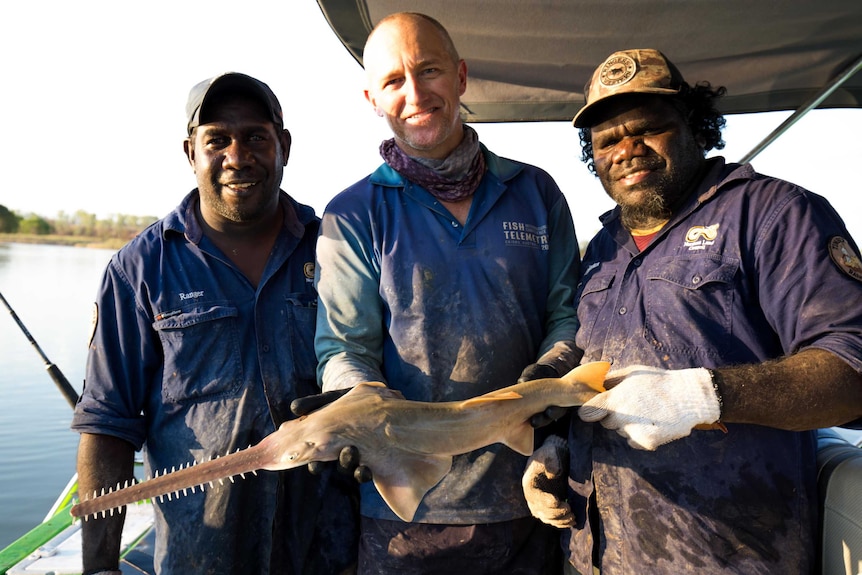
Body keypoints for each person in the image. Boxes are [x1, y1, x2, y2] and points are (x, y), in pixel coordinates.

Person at [522, 48, 862, 574]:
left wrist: (704, 395)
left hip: (730, 555)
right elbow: (592, 359)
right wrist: (554, 445)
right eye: (607, 141)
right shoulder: (604, 247)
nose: (627, 149)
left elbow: (851, 370)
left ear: (695, 126)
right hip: (600, 556)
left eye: (649, 129)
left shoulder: (774, 215)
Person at [313, 11, 581, 575]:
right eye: (393, 81)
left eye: (429, 70)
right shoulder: (353, 214)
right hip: (404, 509)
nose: (415, 93)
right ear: (372, 98)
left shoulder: (535, 192)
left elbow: (567, 311)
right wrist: (358, 403)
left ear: (460, 76)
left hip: (530, 491)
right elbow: (343, 348)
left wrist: (555, 365)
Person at [71, 72, 357, 575]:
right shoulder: (139, 270)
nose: (237, 156)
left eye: (255, 138)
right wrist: (99, 566)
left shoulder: (336, 250)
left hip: (329, 546)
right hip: (199, 551)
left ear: (283, 146)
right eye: (217, 140)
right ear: (190, 153)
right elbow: (107, 425)